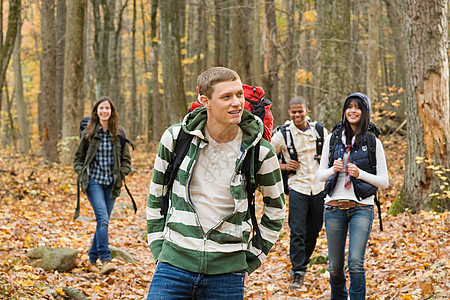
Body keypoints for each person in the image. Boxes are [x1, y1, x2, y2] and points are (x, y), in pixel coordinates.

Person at [146, 67, 286, 299]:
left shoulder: (260, 151)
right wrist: (159, 249)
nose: (236, 103)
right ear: (205, 101)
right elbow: (156, 197)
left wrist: (251, 259)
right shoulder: (175, 138)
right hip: (173, 265)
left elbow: (276, 209)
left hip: (228, 273)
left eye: (239, 94)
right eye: (226, 97)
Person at [316, 93, 389, 299]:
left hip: (362, 209)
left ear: (365, 111)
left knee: (355, 263)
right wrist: (333, 170)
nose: (353, 111)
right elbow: (320, 175)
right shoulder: (332, 139)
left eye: (358, 107)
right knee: (334, 267)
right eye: (349, 107)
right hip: (333, 208)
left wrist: (361, 174)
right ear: (344, 111)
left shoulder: (373, 142)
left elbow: (384, 181)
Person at [271, 96, 328, 289]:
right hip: (297, 187)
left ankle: (303, 261)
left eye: (300, 111)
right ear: (289, 112)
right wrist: (284, 165)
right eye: (294, 112)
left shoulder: (320, 130)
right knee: (297, 231)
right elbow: (265, 158)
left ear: (306, 110)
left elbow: (332, 153)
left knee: (314, 230)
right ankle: (298, 272)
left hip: (319, 187)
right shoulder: (282, 135)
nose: (297, 115)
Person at [73, 96, 131, 275]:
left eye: (107, 108)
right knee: (103, 220)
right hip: (94, 182)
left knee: (102, 223)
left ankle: (91, 260)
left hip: (112, 184)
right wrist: (81, 172)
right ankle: (106, 260)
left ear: (111, 111)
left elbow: (126, 159)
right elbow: (78, 158)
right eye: (101, 108)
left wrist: (123, 172)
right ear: (96, 112)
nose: (104, 111)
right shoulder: (89, 132)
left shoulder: (118, 133)